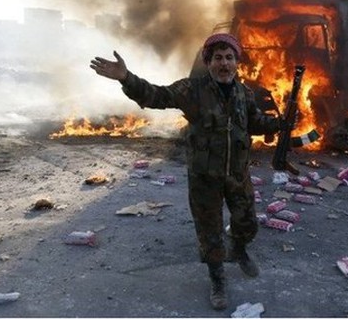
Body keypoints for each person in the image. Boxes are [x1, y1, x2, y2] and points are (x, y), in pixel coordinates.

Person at [90, 33, 283, 311]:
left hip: (237, 174)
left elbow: (253, 123)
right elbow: (156, 95)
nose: (224, 64)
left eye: (230, 58)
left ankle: (239, 250)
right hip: (205, 177)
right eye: (218, 58)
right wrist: (126, 78)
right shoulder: (193, 90)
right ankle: (217, 278)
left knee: (247, 223)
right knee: (210, 232)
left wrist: (277, 124)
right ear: (209, 62)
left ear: (237, 63)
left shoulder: (244, 93)